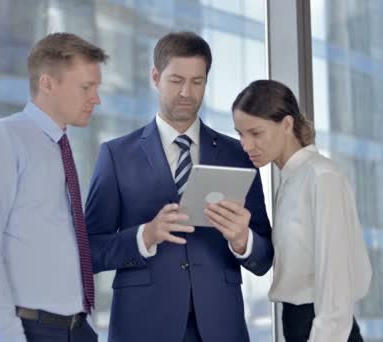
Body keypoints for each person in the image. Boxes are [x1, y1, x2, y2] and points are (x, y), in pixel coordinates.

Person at [84, 31, 273, 342]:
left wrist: (243, 240)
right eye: (176, 80)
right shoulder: (117, 156)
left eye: (197, 82)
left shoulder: (238, 154)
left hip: (220, 327)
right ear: (155, 77)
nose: (187, 91)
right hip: (143, 326)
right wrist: (145, 236)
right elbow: (89, 251)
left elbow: (263, 257)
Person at [0, 32, 108, 342]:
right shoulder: (1, 139)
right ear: (48, 84)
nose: (96, 98)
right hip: (23, 330)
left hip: (75, 329)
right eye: (86, 87)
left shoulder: (61, 149)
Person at [222, 79, 372, 341]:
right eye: (240, 134)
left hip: (323, 327)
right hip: (298, 323)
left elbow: (335, 278)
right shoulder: (291, 179)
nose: (246, 145)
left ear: (287, 124)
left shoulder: (321, 176)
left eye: (256, 133)